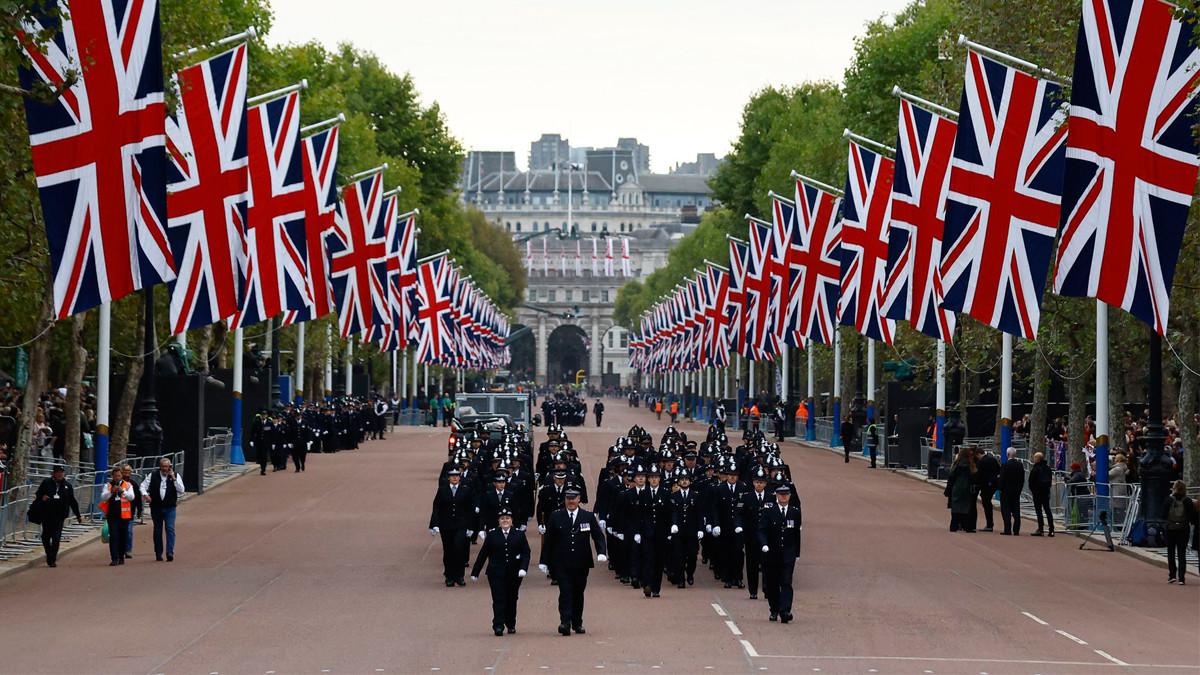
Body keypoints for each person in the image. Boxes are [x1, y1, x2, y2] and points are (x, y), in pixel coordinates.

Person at [538, 487, 607, 636]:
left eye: (573, 498)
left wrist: (602, 551)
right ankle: (565, 622)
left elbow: (598, 535)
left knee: (578, 592)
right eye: (568, 498)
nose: (571, 501)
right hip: (561, 563)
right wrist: (544, 561)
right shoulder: (556, 517)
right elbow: (549, 541)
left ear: (579, 499)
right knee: (565, 592)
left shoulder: (587, 516)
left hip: (581, 562)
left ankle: (577, 622)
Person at [470, 508, 530, 635]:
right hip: (496, 573)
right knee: (498, 598)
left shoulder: (519, 534)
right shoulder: (492, 534)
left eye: (507, 518)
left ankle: (511, 623)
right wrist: (475, 572)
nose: (505, 521)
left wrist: (523, 568)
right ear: (498, 521)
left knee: (512, 598)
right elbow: (483, 554)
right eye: (502, 518)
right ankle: (498, 624)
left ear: (512, 520)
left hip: (514, 573)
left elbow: (526, 552)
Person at [758, 484, 802, 624]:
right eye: (781, 494)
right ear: (776, 496)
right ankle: (774, 609)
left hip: (788, 553)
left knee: (786, 581)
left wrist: (797, 553)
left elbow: (796, 534)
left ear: (790, 496)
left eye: (786, 494)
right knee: (773, 583)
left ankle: (785, 611)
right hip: (772, 553)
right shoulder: (769, 511)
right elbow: (762, 530)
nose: (784, 496)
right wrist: (764, 544)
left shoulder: (795, 512)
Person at [429, 468, 478, 587]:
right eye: (452, 476)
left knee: (458, 548)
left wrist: (471, 527)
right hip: (446, 525)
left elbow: (470, 510)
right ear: (448, 478)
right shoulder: (442, 490)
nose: (455, 477)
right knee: (448, 550)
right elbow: (436, 507)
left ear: (460, 477)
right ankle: (449, 576)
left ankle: (459, 576)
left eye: (457, 475)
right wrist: (434, 524)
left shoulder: (466, 490)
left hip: (461, 525)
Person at [34, 464, 82, 567]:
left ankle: (52, 559)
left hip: (60, 516)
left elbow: (72, 501)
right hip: (47, 514)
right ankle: (48, 552)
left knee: (56, 537)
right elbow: (38, 494)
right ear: (54, 473)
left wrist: (78, 515)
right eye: (58, 472)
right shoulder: (46, 483)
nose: (60, 474)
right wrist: (42, 497)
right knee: (46, 536)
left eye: (62, 472)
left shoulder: (67, 486)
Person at [140, 457, 185, 562]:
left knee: (170, 529)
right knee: (157, 530)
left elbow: (181, 490)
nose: (164, 468)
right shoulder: (153, 475)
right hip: (156, 507)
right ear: (160, 467)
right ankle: (158, 553)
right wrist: (145, 495)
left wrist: (174, 479)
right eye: (163, 466)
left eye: (166, 466)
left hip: (170, 508)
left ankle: (170, 552)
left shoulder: (175, 475)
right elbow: (142, 486)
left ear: (169, 467)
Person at [1163, 480, 1196, 585]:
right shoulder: (1188, 501)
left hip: (1171, 529)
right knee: (1182, 553)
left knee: (1171, 552)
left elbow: (1163, 515)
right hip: (1184, 529)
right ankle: (1181, 577)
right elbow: (1192, 517)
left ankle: (1172, 575)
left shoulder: (1168, 500)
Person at [99, 467, 134, 566]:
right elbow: (102, 497)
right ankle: (114, 558)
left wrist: (123, 492)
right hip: (112, 515)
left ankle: (121, 556)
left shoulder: (127, 485)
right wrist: (111, 492)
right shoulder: (108, 485)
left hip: (124, 516)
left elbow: (132, 497)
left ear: (121, 475)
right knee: (113, 536)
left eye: (119, 475)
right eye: (115, 476)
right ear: (112, 476)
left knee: (123, 536)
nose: (117, 477)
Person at [945, 448, 977, 533]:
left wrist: (948, 489)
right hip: (967, 488)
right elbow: (974, 478)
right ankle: (967, 527)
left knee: (955, 508)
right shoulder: (971, 466)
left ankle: (954, 526)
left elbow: (951, 477)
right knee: (967, 508)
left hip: (956, 488)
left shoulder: (956, 464)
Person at [998, 448, 1025, 535]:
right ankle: (1016, 530)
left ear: (1007, 454)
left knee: (1006, 511)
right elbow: (1022, 479)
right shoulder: (1019, 465)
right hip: (1016, 491)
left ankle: (1007, 529)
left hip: (1006, 491)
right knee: (1016, 511)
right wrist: (1019, 489)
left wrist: (1000, 488)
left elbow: (1002, 478)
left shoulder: (1004, 465)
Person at [1028, 451, 1055, 537]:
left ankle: (1041, 529)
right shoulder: (1047, 468)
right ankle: (1051, 529)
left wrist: (1033, 490)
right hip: (1045, 491)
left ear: (1037, 459)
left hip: (1037, 492)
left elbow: (1031, 481)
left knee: (1039, 511)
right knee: (1047, 510)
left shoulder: (1035, 469)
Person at [121, 464, 144, 558]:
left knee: (128, 531)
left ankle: (128, 550)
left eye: (128, 471)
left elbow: (138, 498)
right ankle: (120, 550)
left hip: (129, 512)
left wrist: (139, 510)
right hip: (117, 512)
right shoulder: (116, 483)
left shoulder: (133, 484)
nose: (126, 473)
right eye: (125, 471)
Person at [975, 448, 1000, 531]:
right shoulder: (993, 459)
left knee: (986, 504)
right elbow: (998, 470)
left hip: (985, 485)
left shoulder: (981, 462)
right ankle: (990, 523)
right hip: (993, 483)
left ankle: (989, 524)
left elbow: (978, 474)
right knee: (988, 502)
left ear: (978, 454)